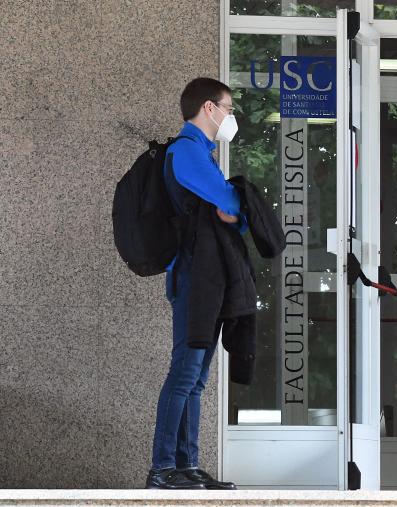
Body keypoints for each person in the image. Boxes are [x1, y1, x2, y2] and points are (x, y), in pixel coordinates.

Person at [145, 78, 243, 490]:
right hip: (192, 277)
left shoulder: (201, 153)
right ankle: (162, 468)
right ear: (209, 108)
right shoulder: (186, 152)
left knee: (197, 378)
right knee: (185, 374)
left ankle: (187, 465)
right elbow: (232, 204)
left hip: (205, 277)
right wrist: (233, 208)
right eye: (229, 109)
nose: (231, 117)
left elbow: (230, 211)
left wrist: (231, 211)